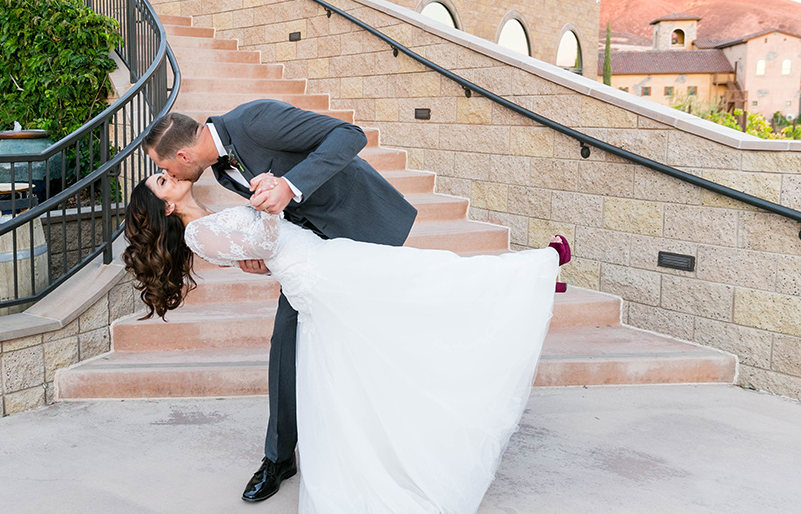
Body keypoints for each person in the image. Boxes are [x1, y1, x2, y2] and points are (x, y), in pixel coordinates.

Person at [123, 172, 570, 513]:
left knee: (413, 285)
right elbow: (266, 236)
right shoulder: (198, 231)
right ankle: (533, 275)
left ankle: (529, 280)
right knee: (419, 281)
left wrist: (259, 226)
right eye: (163, 181)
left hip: (321, 265)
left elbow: (256, 247)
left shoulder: (207, 223)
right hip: (321, 275)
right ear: (164, 207)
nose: (172, 175)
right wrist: (271, 194)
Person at [141, 100, 418, 502]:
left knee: (370, 339)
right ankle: (279, 458)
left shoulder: (255, 120)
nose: (168, 174)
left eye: (165, 168)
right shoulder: (222, 172)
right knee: (285, 345)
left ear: (182, 156)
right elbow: (274, 215)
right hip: (312, 253)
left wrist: (290, 185)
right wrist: (262, 255)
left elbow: (349, 135)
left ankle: (391, 440)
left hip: (360, 226)